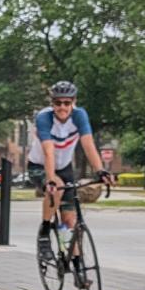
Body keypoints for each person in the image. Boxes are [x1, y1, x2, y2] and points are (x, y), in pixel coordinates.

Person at [28, 80, 113, 263]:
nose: (62, 107)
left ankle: (77, 264)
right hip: (39, 166)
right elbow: (49, 152)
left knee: (69, 220)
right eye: (58, 103)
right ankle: (44, 233)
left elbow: (88, 144)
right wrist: (50, 180)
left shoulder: (79, 116)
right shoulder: (44, 118)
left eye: (67, 103)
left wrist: (100, 171)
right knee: (57, 187)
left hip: (64, 167)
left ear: (73, 102)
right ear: (52, 104)